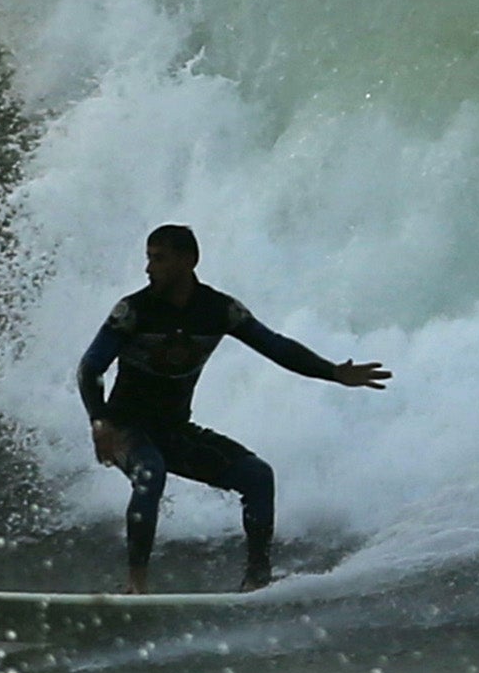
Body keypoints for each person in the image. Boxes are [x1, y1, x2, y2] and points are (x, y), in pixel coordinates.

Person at [76, 224, 391, 593]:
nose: (149, 269)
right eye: (149, 259)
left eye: (158, 260)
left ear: (189, 260)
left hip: (175, 431)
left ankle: (257, 581)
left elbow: (276, 346)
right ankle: (136, 584)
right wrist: (100, 423)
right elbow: (90, 368)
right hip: (127, 430)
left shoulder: (219, 311)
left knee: (258, 476)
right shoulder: (133, 311)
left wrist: (334, 372)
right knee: (151, 471)